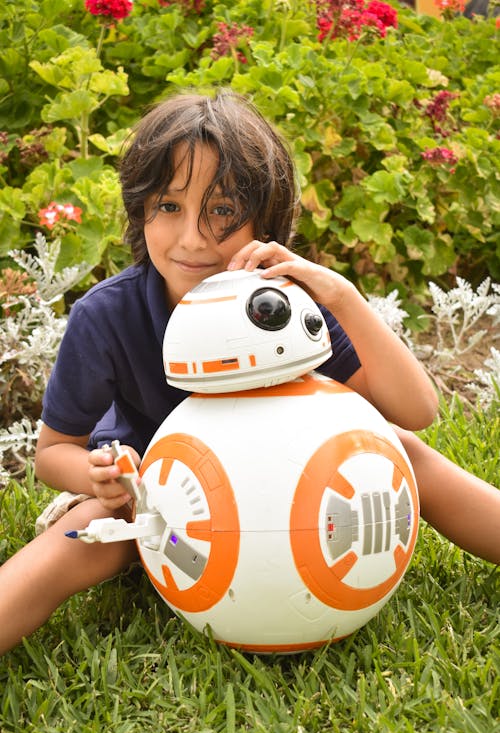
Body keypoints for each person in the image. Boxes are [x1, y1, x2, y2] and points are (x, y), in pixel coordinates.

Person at [0, 90, 498, 656]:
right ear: (140, 210)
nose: (192, 239)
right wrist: (98, 477)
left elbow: (417, 411)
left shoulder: (283, 308)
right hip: (158, 504)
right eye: (168, 206)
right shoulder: (108, 315)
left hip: (283, 493)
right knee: (84, 531)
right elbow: (52, 452)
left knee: (401, 449)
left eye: (221, 211)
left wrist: (341, 295)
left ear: (265, 221)